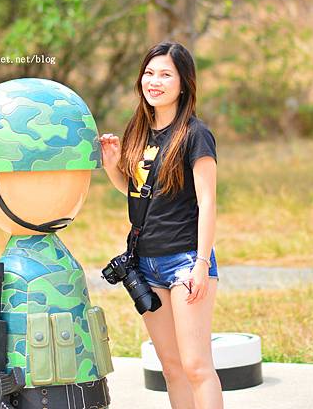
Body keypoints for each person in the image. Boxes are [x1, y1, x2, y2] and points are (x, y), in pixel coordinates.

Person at [99, 41, 224, 409]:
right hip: (146, 264)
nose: (154, 81)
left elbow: (208, 201)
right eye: (149, 73)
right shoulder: (138, 130)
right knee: (171, 368)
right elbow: (139, 193)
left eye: (165, 74)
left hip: (185, 261)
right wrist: (112, 166)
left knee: (196, 366)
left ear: (183, 83)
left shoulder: (195, 134)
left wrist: (202, 264)